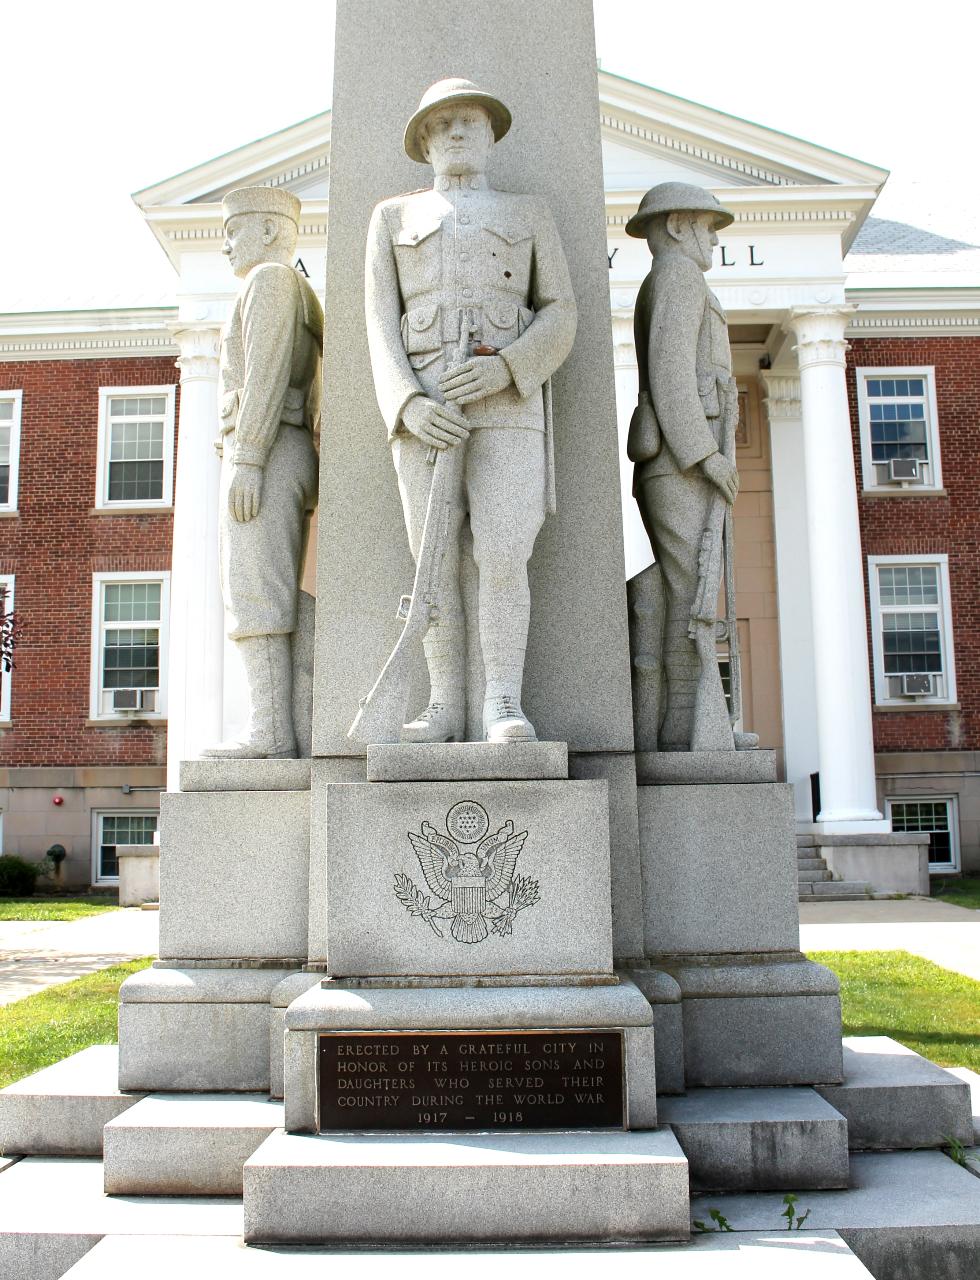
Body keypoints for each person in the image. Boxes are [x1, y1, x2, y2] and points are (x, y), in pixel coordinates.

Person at [364, 78, 576, 743]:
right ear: (424, 140)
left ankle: (502, 703)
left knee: (505, 554)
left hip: (508, 407)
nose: (458, 132)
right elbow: (377, 319)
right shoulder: (391, 218)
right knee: (433, 565)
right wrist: (406, 406)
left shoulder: (529, 211)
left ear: (491, 136)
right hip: (428, 414)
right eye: (444, 123)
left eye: (472, 122)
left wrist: (509, 367)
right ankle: (444, 705)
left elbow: (561, 311)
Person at [202, 186, 322, 759]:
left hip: (268, 452)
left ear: (271, 231)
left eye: (234, 230)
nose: (225, 245)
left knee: (255, 589)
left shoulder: (270, 281)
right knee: (267, 588)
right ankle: (280, 724)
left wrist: (247, 455)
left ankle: (271, 733)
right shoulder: (290, 287)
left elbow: (268, 372)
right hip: (277, 449)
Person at [625, 182, 742, 752]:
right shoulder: (679, 276)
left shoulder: (672, 279)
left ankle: (696, 729)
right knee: (690, 599)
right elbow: (672, 375)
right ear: (677, 227)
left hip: (681, 462)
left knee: (691, 596)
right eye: (707, 227)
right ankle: (685, 735)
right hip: (681, 465)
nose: (713, 242)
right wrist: (706, 455)